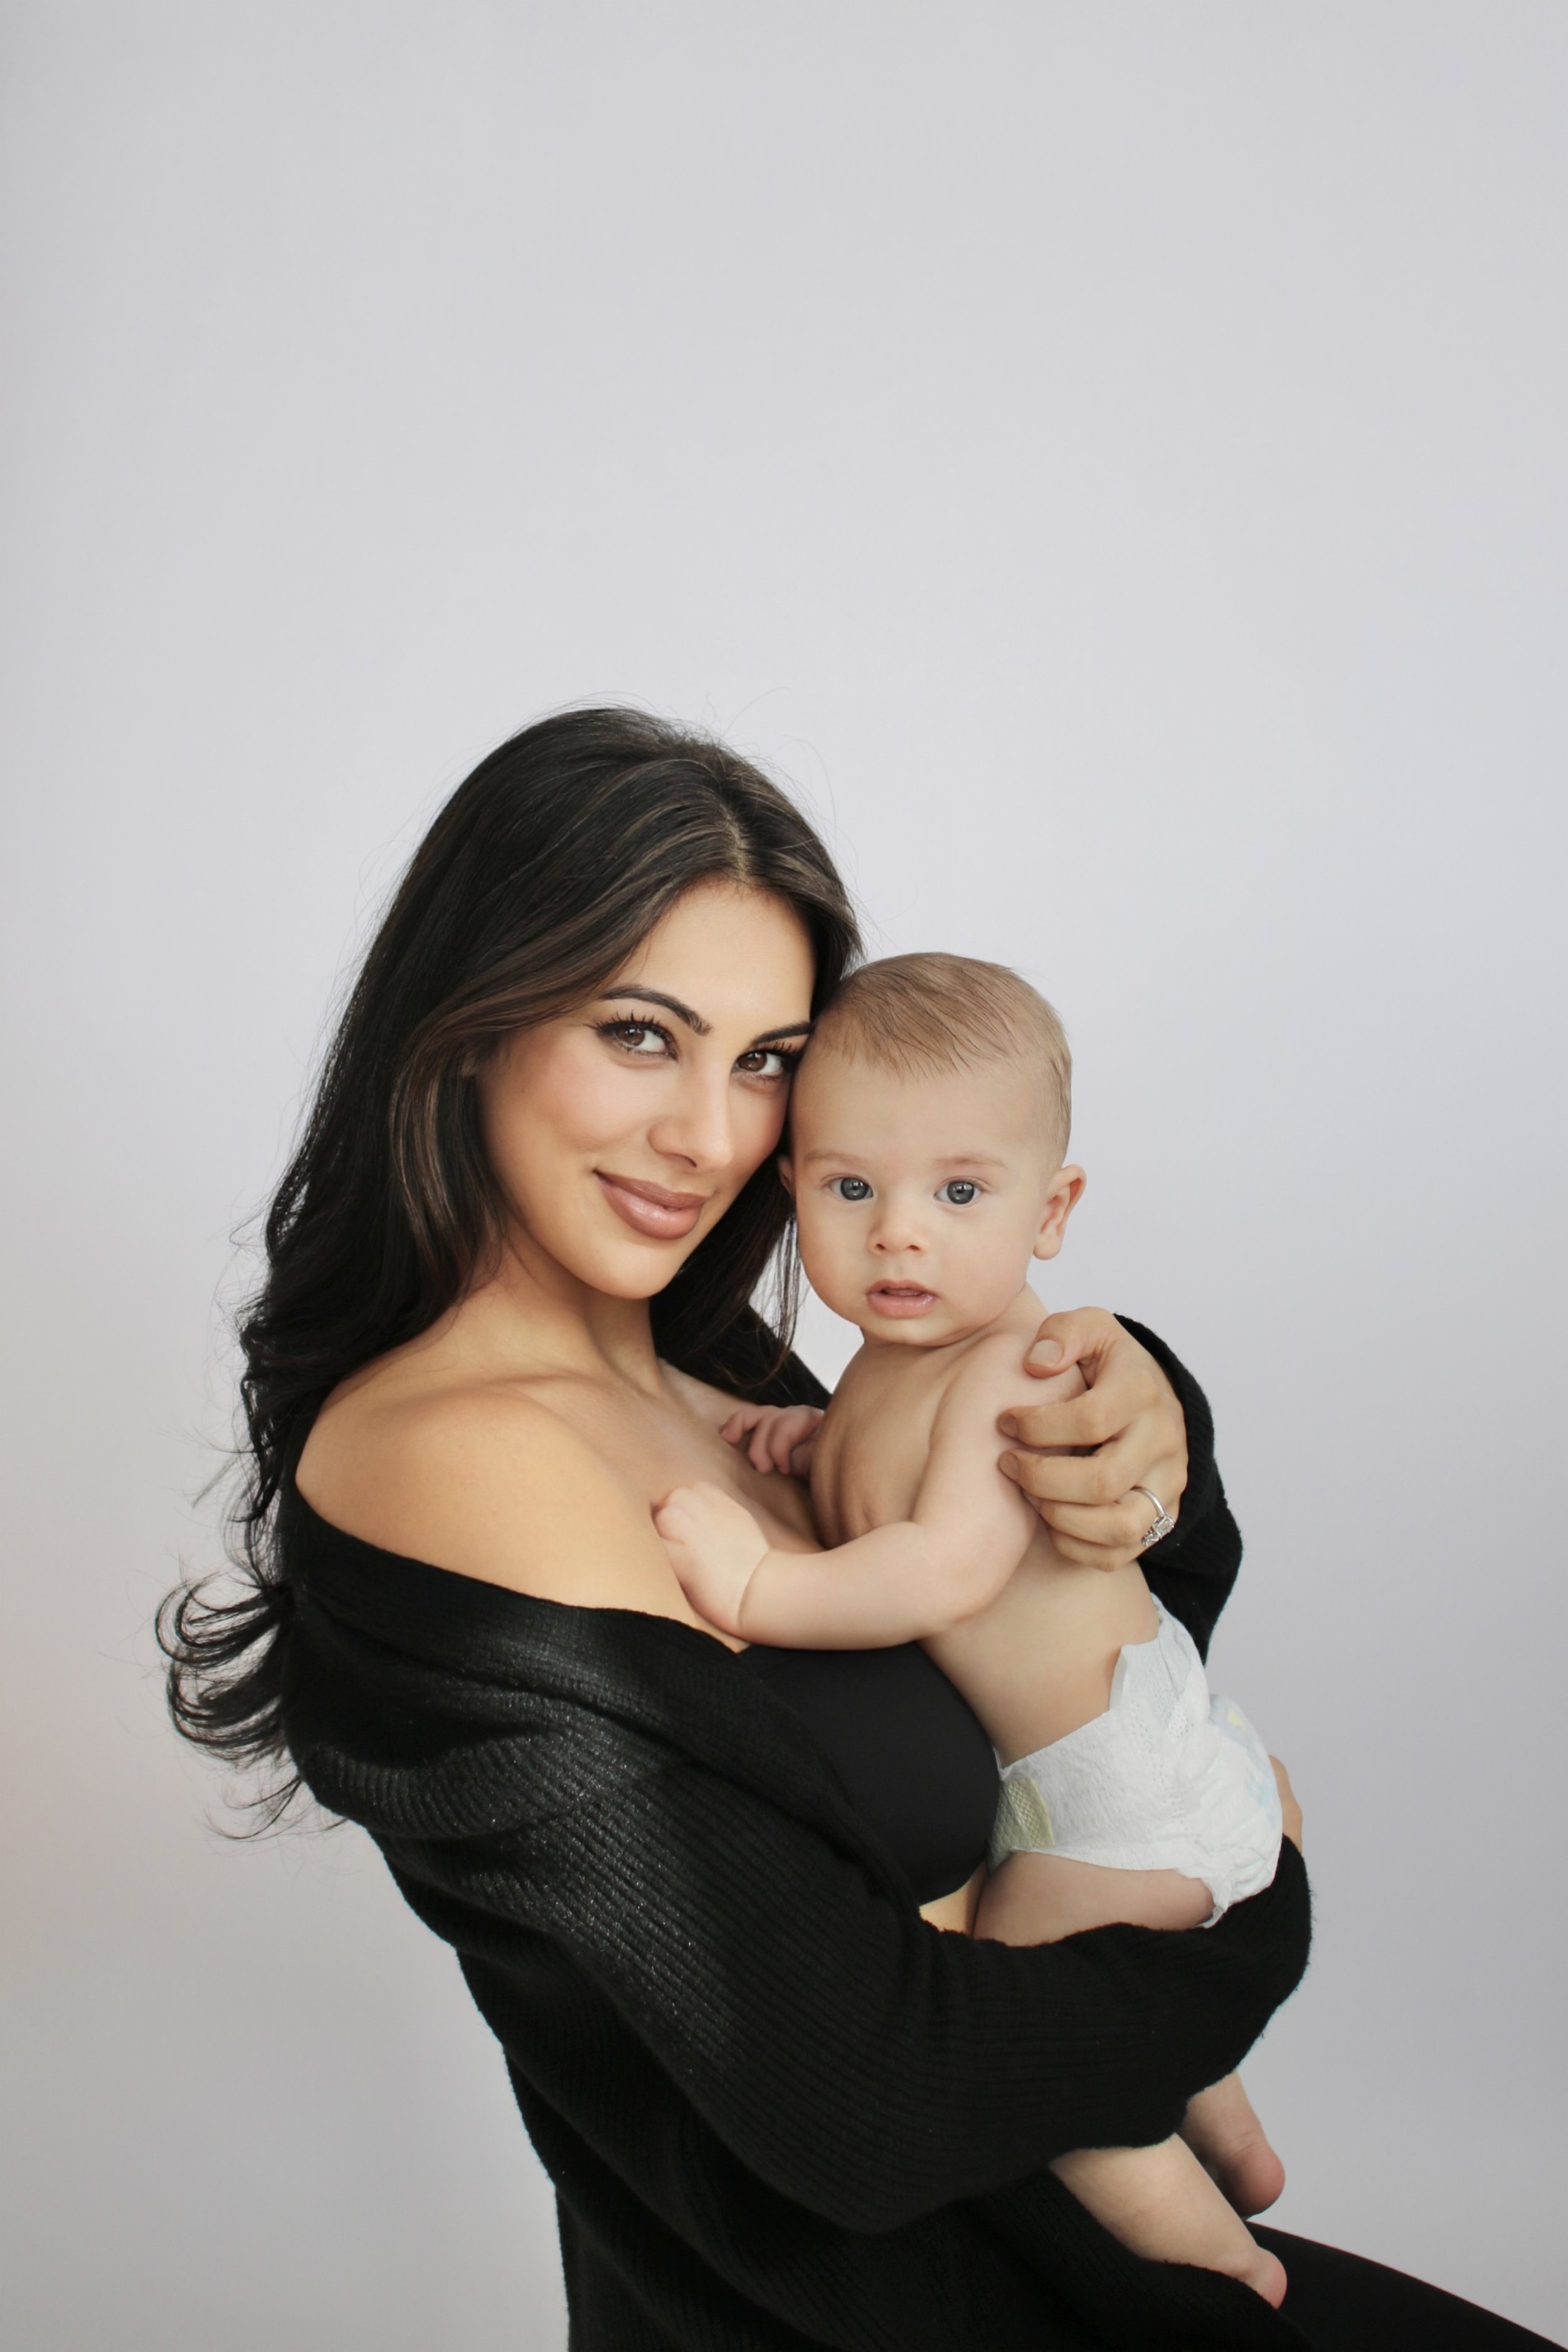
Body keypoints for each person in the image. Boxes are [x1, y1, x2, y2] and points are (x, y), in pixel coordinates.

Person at [161, 708, 1559, 2349]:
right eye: (640, 1033)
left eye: (764, 1061)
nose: (710, 1137)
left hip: (1057, 2254)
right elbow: (866, 2099)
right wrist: (1263, 1909)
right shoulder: (457, 1459)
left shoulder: (724, 1374)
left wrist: (1133, 1406)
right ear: (471, 1020)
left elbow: (1050, 1658)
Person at [655, 951, 1288, 2304]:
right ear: (792, 1191)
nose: (899, 1234)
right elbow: (886, 1466)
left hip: (1117, 1792)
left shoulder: (1014, 1364)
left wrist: (758, 1589)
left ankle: (1216, 2265)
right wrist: (811, 1439)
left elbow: (940, 1568)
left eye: (958, 1193)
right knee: (1104, 1990)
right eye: (850, 1189)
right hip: (1097, 1765)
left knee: (1018, 2030)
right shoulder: (891, 1362)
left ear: (1050, 1211)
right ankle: (1234, 2138)